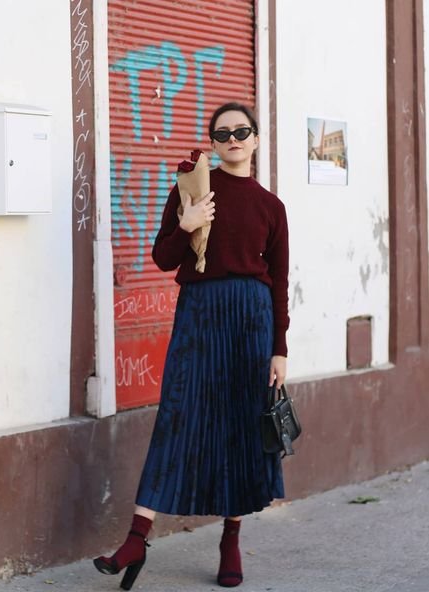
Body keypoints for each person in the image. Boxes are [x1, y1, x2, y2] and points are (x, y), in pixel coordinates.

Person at [93, 102, 290, 590]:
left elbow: (280, 283)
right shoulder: (192, 188)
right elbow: (162, 257)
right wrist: (188, 221)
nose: (233, 139)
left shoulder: (272, 207)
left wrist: (280, 349)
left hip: (252, 322)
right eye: (223, 134)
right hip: (199, 316)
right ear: (214, 143)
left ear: (256, 140)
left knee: (241, 427)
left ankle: (231, 538)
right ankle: (138, 536)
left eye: (242, 131)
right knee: (177, 418)